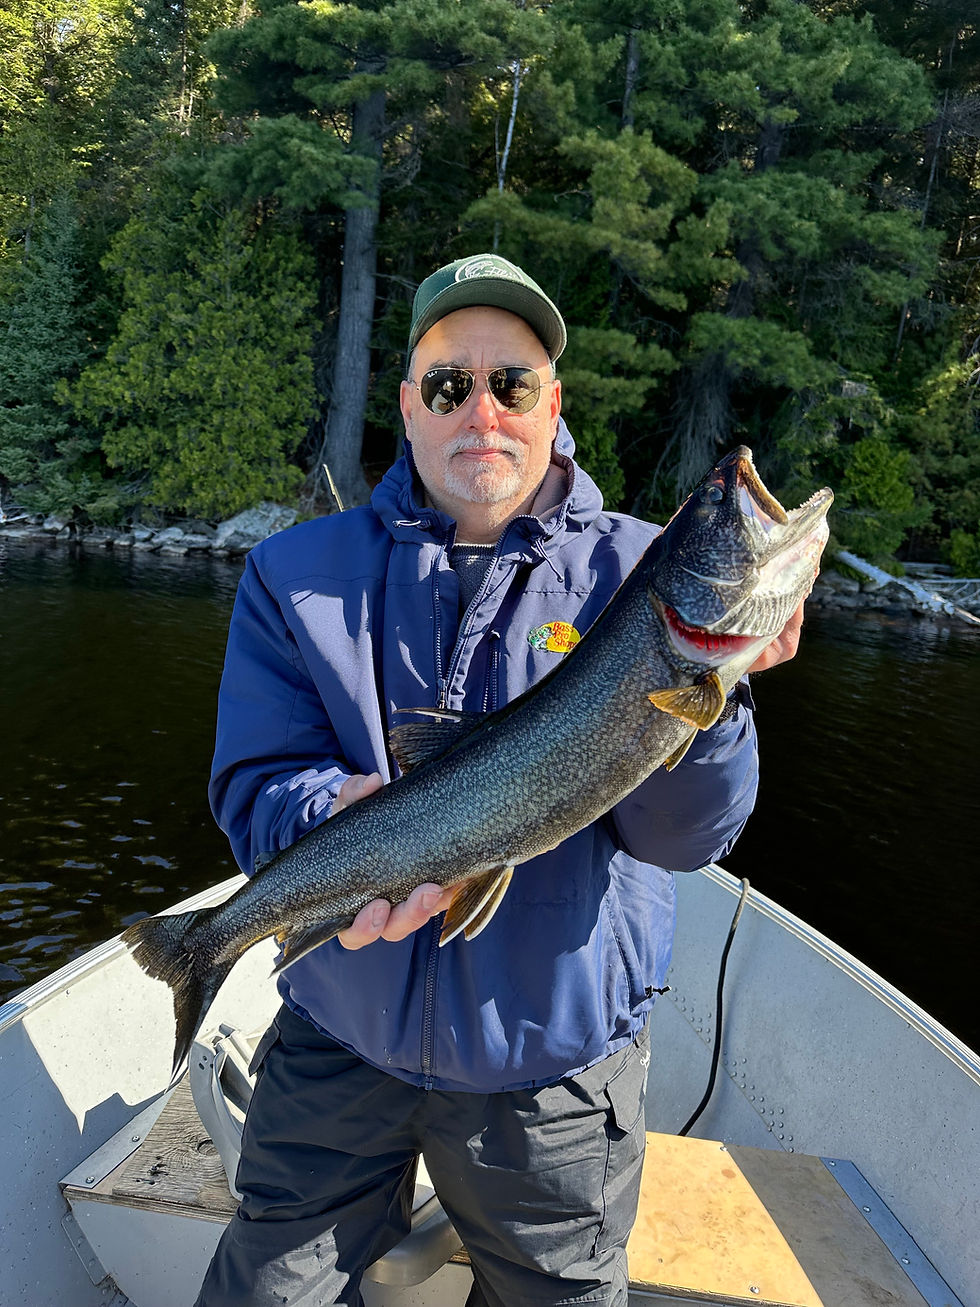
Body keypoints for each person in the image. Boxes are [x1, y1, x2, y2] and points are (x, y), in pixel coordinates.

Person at [196, 253, 811, 1307]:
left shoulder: (636, 568)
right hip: (340, 1028)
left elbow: (681, 839)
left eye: (511, 382)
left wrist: (711, 698)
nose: (480, 408)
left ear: (552, 403)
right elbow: (256, 784)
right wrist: (323, 814)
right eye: (448, 384)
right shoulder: (292, 574)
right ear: (408, 404)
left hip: (555, 1063)